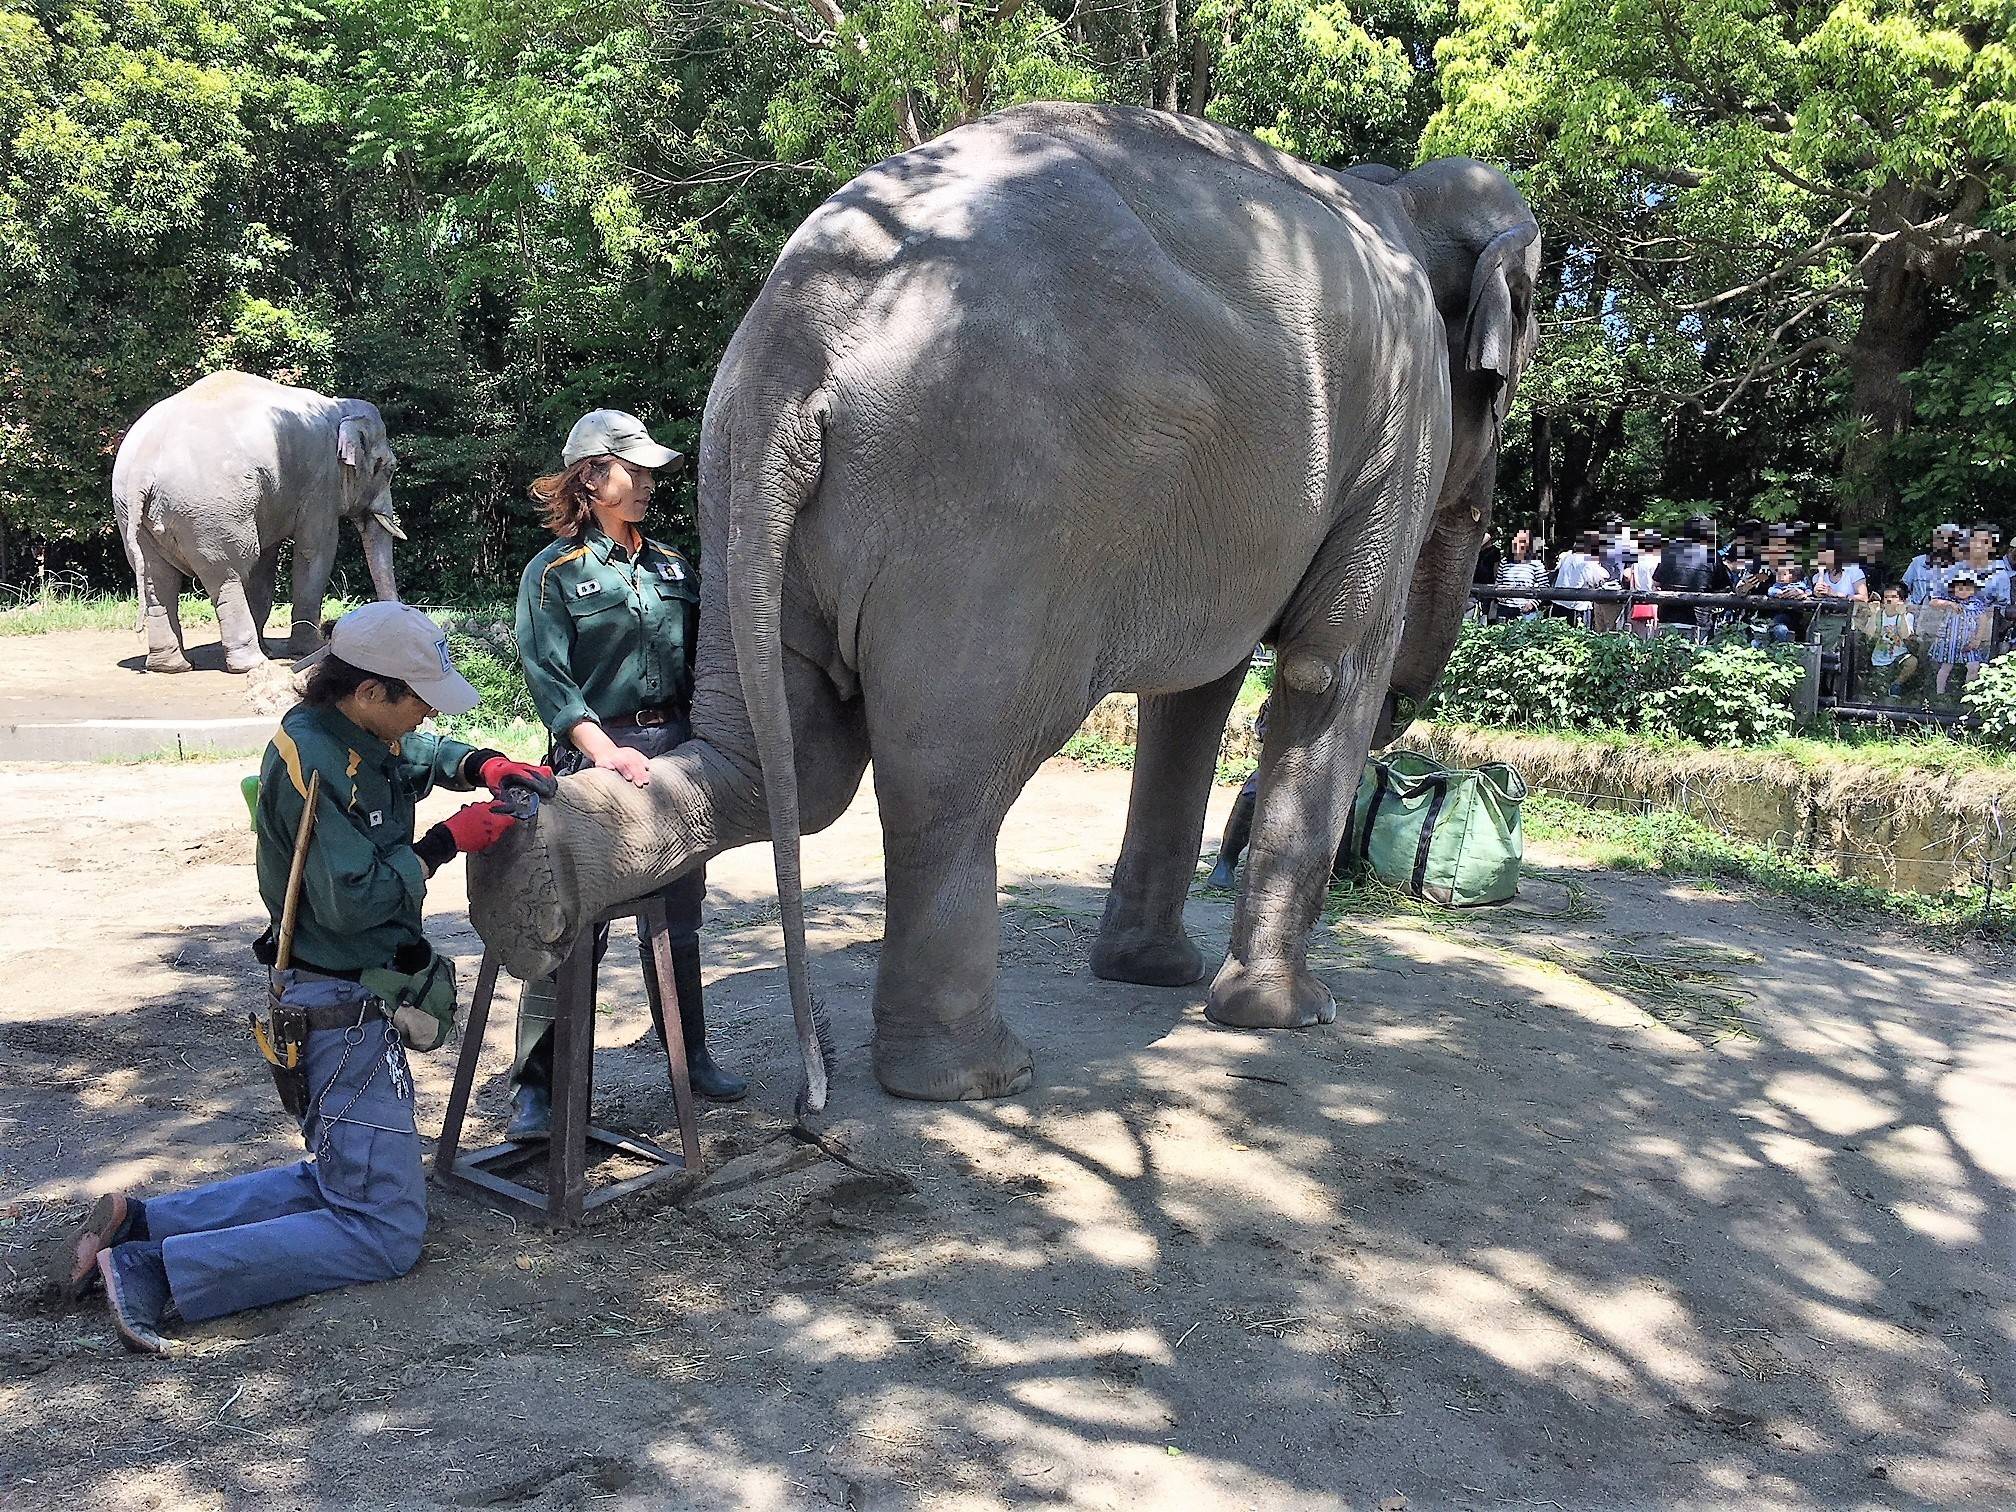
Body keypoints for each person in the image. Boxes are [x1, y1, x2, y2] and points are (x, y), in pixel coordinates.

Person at [59, 603, 532, 1352]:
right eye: (418, 699)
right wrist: (445, 841)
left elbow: (411, 753)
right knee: (384, 1230)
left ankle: (142, 1223)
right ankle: (156, 1270)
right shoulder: (316, 763)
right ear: (370, 690)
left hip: (341, 993)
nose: (427, 714)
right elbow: (353, 904)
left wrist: (480, 765)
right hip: (337, 1002)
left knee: (347, 1174)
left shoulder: (346, 730)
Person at [508, 408, 746, 1140]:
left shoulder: (673, 567)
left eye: (648, 472)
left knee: (678, 917)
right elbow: (549, 678)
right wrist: (602, 749)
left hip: (674, 753)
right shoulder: (553, 573)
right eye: (632, 470)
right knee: (569, 926)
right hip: (594, 759)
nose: (646, 483)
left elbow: (707, 659)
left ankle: (691, 1060)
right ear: (590, 477)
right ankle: (539, 1091)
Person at [1930, 568, 1993, 696]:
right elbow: (1933, 602)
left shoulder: (1976, 604)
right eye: (1959, 588)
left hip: (1968, 642)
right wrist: (1949, 604)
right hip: (1949, 642)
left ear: (1973, 590)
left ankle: (1968, 694)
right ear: (1953, 589)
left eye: (1967, 588)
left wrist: (1977, 639)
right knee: (1946, 667)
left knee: (1974, 666)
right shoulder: (1948, 600)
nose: (1963, 591)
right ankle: (1939, 694)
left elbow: (1982, 621)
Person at [1865, 584, 1919, 699]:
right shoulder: (1878, 614)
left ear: (1901, 600)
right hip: (1879, 658)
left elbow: (1906, 635)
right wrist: (1873, 614)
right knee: (1878, 689)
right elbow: (1869, 634)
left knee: (1912, 662)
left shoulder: (1908, 616)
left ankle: (1897, 685)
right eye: (1886, 597)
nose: (1889, 600)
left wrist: (1902, 615)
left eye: (1894, 597)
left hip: (1899, 656)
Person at [1552, 529, 1613, 628]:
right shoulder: (1587, 561)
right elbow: (1602, 577)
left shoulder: (1567, 557)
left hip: (1558, 603)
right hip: (1576, 607)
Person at [1493, 529, 1545, 620]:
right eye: (1516, 541)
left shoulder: (1536, 563)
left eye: (1522, 542)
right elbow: (1498, 583)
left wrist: (1532, 603)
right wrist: (1499, 596)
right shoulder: (1505, 562)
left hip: (1526, 612)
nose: (1518, 544)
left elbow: (1544, 587)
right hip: (1504, 608)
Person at [1902, 524, 1958, 606]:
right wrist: (1909, 605)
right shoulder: (1918, 563)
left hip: (1948, 613)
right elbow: (1902, 590)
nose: (1945, 543)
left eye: (1950, 539)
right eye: (1941, 538)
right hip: (1917, 612)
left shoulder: (1962, 567)